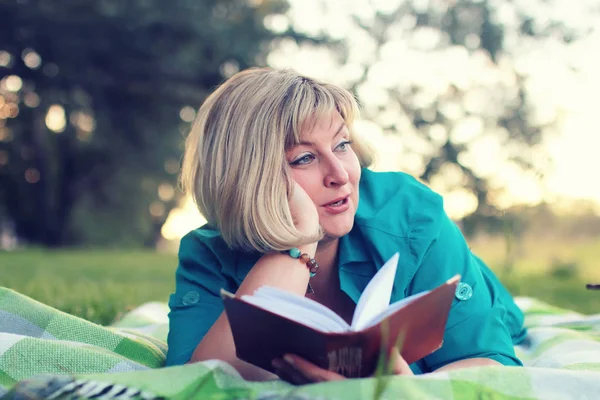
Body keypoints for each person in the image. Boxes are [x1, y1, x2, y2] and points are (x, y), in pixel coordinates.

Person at [165, 67, 527, 383]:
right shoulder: (207, 251)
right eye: (304, 158)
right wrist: (298, 240)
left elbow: (494, 363)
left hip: (477, 286)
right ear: (245, 179)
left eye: (342, 144)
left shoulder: (412, 214)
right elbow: (200, 378)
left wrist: (405, 391)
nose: (341, 175)